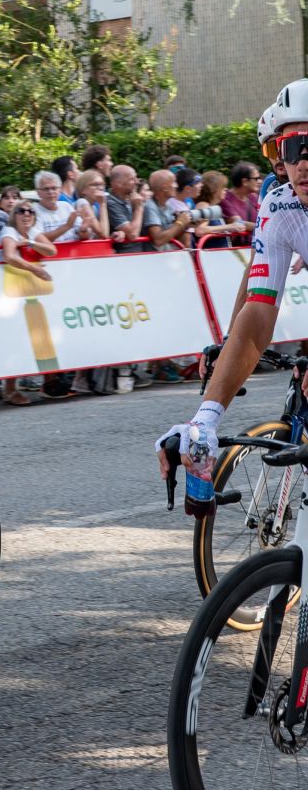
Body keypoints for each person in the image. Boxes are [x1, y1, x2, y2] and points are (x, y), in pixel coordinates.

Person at [158, 81, 308, 505]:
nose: (298, 164)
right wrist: (206, 416)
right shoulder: (279, 206)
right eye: (288, 149)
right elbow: (258, 308)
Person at [0, 201, 56, 406]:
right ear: (14, 215)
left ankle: (49, 381)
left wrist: (31, 243)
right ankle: (10, 388)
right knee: (16, 337)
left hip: (30, 293)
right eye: (21, 211)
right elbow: (9, 255)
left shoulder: (33, 231)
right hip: (10, 291)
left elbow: (51, 251)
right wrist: (34, 269)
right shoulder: (9, 230)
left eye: (31, 211)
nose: (26, 214)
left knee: (37, 338)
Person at [194, 170, 248, 249]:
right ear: (213, 189)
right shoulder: (204, 205)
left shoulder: (213, 207)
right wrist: (230, 227)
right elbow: (200, 230)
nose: (226, 189)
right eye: (222, 187)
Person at [143, 169, 193, 251]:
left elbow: (173, 233)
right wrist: (180, 223)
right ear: (165, 188)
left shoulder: (168, 205)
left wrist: (188, 224)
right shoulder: (150, 206)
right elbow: (158, 240)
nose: (177, 186)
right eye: (174, 182)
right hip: (152, 259)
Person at [106, 165, 147, 253]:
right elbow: (133, 234)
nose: (136, 182)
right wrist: (139, 208)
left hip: (139, 253)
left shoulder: (132, 199)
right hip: (124, 257)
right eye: (132, 179)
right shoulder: (111, 203)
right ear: (117, 183)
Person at [221, 161, 263, 245]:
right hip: (236, 252)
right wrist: (265, 227)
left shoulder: (254, 197)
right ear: (245, 182)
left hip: (255, 249)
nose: (260, 181)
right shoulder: (226, 199)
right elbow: (239, 223)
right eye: (256, 179)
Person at [33, 170, 80, 243]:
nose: (51, 192)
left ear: (60, 190)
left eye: (54, 188)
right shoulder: (33, 211)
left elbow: (82, 233)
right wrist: (67, 226)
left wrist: (85, 229)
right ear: (38, 192)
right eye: (46, 189)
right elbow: (39, 240)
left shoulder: (66, 206)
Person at [74, 170, 110, 239]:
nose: (100, 188)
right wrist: (103, 204)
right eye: (95, 185)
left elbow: (97, 235)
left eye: (102, 184)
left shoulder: (93, 207)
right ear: (83, 190)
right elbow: (104, 234)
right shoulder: (82, 202)